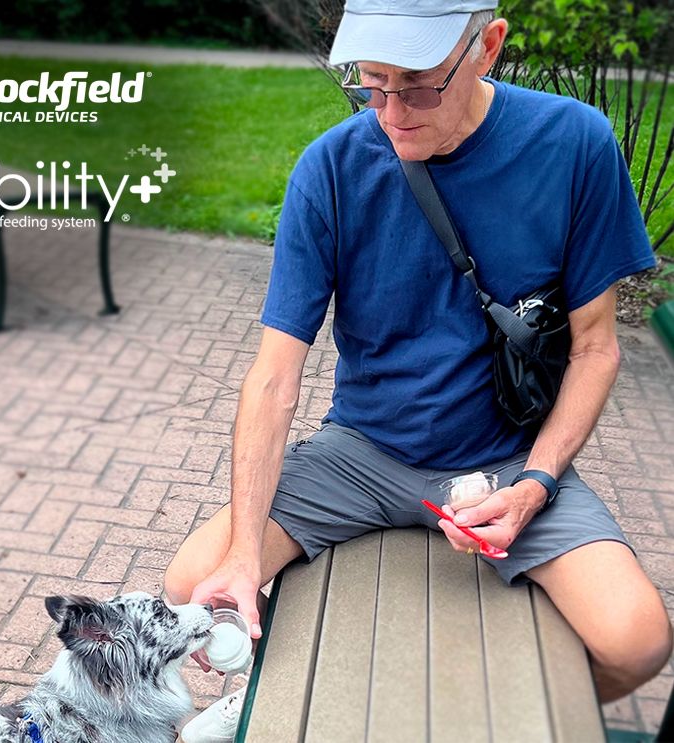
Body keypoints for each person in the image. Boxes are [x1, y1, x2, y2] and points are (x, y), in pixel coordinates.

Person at [169, 2, 673, 739]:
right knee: (195, 586)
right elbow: (274, 379)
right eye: (371, 85)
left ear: (488, 46)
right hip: (364, 454)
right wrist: (245, 558)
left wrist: (535, 484)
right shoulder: (331, 169)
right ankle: (275, 702)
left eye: (418, 86)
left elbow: (597, 347)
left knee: (639, 639)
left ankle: (509, 714)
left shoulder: (574, 145)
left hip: (507, 456)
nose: (392, 113)